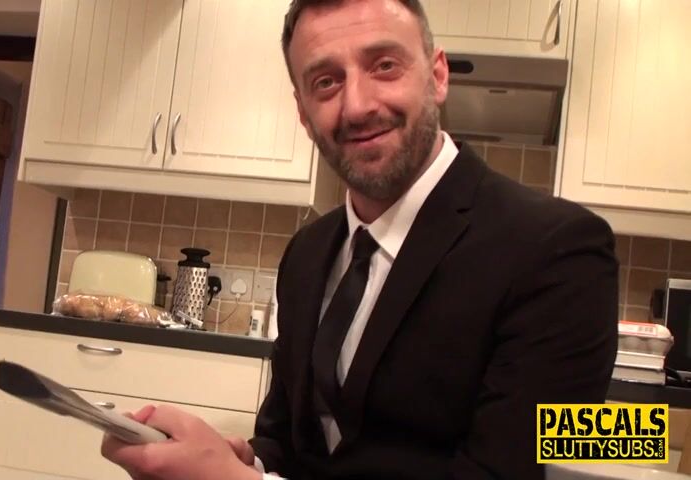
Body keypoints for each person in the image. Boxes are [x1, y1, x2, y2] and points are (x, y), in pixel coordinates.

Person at [102, 0, 619, 478]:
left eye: (384, 66)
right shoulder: (306, 253)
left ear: (437, 75)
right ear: (303, 112)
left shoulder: (560, 252)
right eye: (326, 82)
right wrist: (248, 459)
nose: (356, 105)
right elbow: (291, 441)